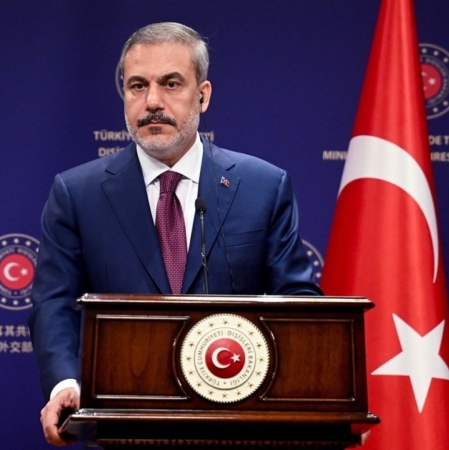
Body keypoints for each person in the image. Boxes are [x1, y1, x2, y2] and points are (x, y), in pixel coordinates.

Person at [28, 22, 322, 446]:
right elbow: (54, 304)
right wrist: (65, 383)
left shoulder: (263, 187)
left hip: (239, 427)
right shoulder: (77, 194)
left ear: (202, 95)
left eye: (170, 84)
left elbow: (297, 304)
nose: (152, 102)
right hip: (123, 427)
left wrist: (318, 399)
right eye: (137, 86)